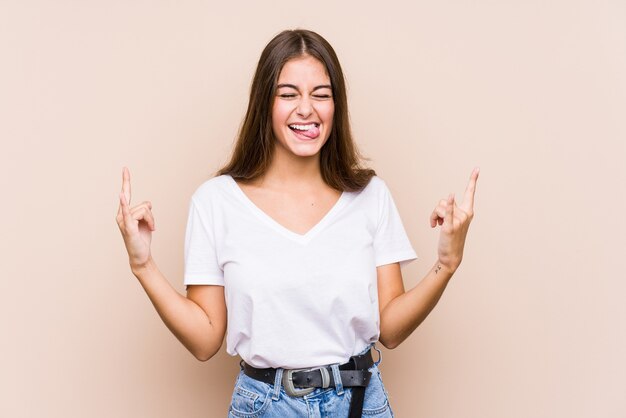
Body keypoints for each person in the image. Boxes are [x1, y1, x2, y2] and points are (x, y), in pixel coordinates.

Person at [116, 29, 479, 418]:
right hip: (265, 406)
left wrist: (447, 264)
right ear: (264, 104)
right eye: (288, 94)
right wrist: (143, 266)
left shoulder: (370, 196)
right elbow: (205, 340)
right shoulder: (216, 202)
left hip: (359, 403)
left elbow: (389, 328)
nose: (306, 108)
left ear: (335, 106)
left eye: (321, 94)